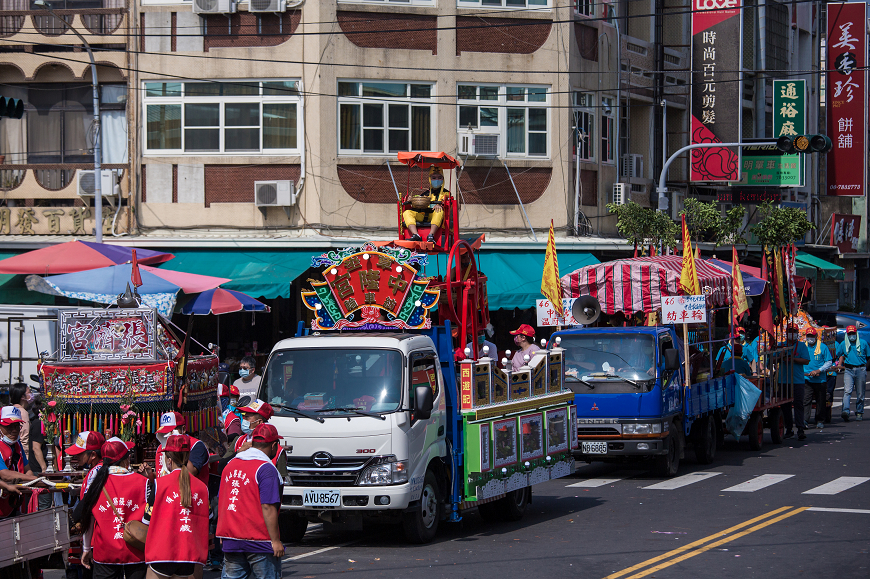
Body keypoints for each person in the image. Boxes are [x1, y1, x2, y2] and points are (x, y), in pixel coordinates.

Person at [217, 424, 285, 579]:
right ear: (274, 445)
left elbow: (222, 501)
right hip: (259, 541)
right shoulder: (266, 469)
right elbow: (268, 506)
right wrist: (275, 540)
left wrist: (222, 533)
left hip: (231, 539)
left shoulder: (230, 465)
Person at [79, 437, 147, 579]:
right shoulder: (143, 481)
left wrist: (86, 548)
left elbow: (88, 519)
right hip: (136, 549)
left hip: (105, 551)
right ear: (126, 460)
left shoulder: (96, 483)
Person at [142, 435, 209, 579]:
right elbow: (206, 519)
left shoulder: (159, 484)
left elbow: (146, 521)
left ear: (169, 460)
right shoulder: (202, 488)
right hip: (189, 555)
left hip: (162, 552)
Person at [152, 411, 210, 488]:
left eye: (170, 432)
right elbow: (162, 474)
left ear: (183, 429)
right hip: (169, 495)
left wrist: (177, 445)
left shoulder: (196, 445)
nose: (167, 436)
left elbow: (191, 472)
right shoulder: (161, 448)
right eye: (164, 433)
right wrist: (150, 474)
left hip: (191, 495)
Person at [0, 406, 38, 518]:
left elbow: (27, 470)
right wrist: (34, 479)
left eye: (17, 426)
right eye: (9, 426)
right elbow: (4, 474)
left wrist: (34, 483)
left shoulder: (17, 443)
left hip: (14, 503)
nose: (14, 430)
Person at [402, 166, 451, 243]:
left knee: (439, 211)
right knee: (407, 212)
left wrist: (440, 205)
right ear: (430, 179)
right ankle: (415, 235)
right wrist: (411, 200)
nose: (437, 180)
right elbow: (417, 202)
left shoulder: (447, 193)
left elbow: (449, 204)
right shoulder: (425, 193)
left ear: (443, 179)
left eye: (439, 178)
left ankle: (431, 235)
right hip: (423, 215)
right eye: (434, 178)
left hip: (437, 217)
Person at [779, 325, 810, 441]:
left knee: (798, 404)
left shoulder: (801, 346)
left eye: (794, 332)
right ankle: (788, 429)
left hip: (797, 380)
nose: (792, 334)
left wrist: (793, 358)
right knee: (785, 406)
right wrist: (781, 356)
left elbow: (806, 360)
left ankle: (800, 429)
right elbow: (773, 358)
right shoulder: (781, 345)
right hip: (783, 380)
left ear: (797, 333)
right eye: (790, 332)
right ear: (786, 333)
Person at [835, 324, 868, 422]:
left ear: (856, 333)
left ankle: (859, 412)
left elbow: (868, 355)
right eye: (850, 333)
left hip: (861, 369)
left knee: (860, 393)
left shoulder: (863, 343)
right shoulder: (843, 344)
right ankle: (845, 411)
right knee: (847, 391)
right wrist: (838, 364)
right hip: (848, 370)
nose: (852, 335)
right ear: (847, 334)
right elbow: (838, 354)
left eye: (853, 333)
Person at [803, 328, 832, 430]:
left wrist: (819, 370)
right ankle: (805, 420)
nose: (810, 338)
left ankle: (820, 420)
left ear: (816, 337)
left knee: (821, 401)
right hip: (807, 378)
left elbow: (829, 362)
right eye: (808, 336)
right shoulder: (803, 347)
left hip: (820, 380)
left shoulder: (823, 347)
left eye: (812, 336)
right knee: (806, 400)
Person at [8, 383, 31, 458]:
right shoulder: (22, 413)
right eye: (29, 392)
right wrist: (26, 457)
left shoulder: (10, 410)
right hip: (21, 454)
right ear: (22, 397)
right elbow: (24, 437)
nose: (31, 394)